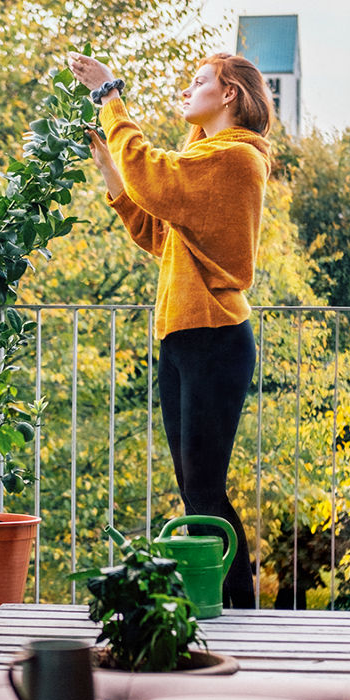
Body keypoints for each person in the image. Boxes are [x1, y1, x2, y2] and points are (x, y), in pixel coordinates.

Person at [67, 50, 273, 608]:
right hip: (184, 336)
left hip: (215, 337)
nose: (187, 90)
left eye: (199, 81)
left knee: (203, 490)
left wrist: (110, 95)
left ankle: (232, 610)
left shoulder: (235, 158)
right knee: (196, 490)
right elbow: (158, 234)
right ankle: (225, 606)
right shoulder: (205, 158)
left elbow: (154, 176)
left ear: (229, 94)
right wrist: (111, 169)